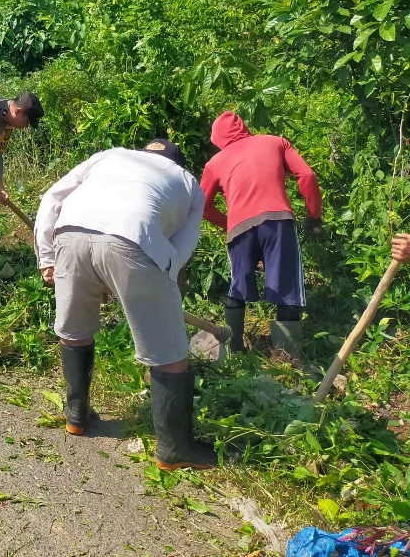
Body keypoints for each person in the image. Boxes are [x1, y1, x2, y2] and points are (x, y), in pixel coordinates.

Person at [35, 139, 216, 470]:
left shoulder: (108, 156)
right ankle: (174, 449)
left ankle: (76, 415)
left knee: (74, 329)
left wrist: (46, 257)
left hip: (70, 234)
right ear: (178, 162)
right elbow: (183, 246)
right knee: (170, 355)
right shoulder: (188, 182)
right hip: (135, 238)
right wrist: (157, 284)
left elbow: (52, 199)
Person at [199, 112, 322, 360]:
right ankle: (287, 358)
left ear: (216, 139)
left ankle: (234, 352)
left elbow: (202, 206)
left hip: (238, 230)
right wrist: (314, 216)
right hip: (278, 222)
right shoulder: (275, 142)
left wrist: (228, 221)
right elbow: (306, 175)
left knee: (237, 287)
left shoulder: (215, 163)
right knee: (288, 289)